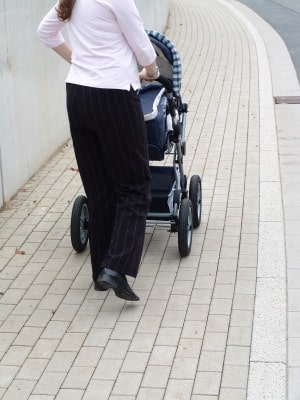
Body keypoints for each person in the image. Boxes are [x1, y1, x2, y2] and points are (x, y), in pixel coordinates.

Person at [37, 0, 160, 301]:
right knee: (134, 187)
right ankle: (117, 268)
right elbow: (143, 48)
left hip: (78, 94)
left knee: (99, 187)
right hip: (114, 96)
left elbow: (46, 32)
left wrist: (78, 61)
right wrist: (153, 70)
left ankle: (100, 272)